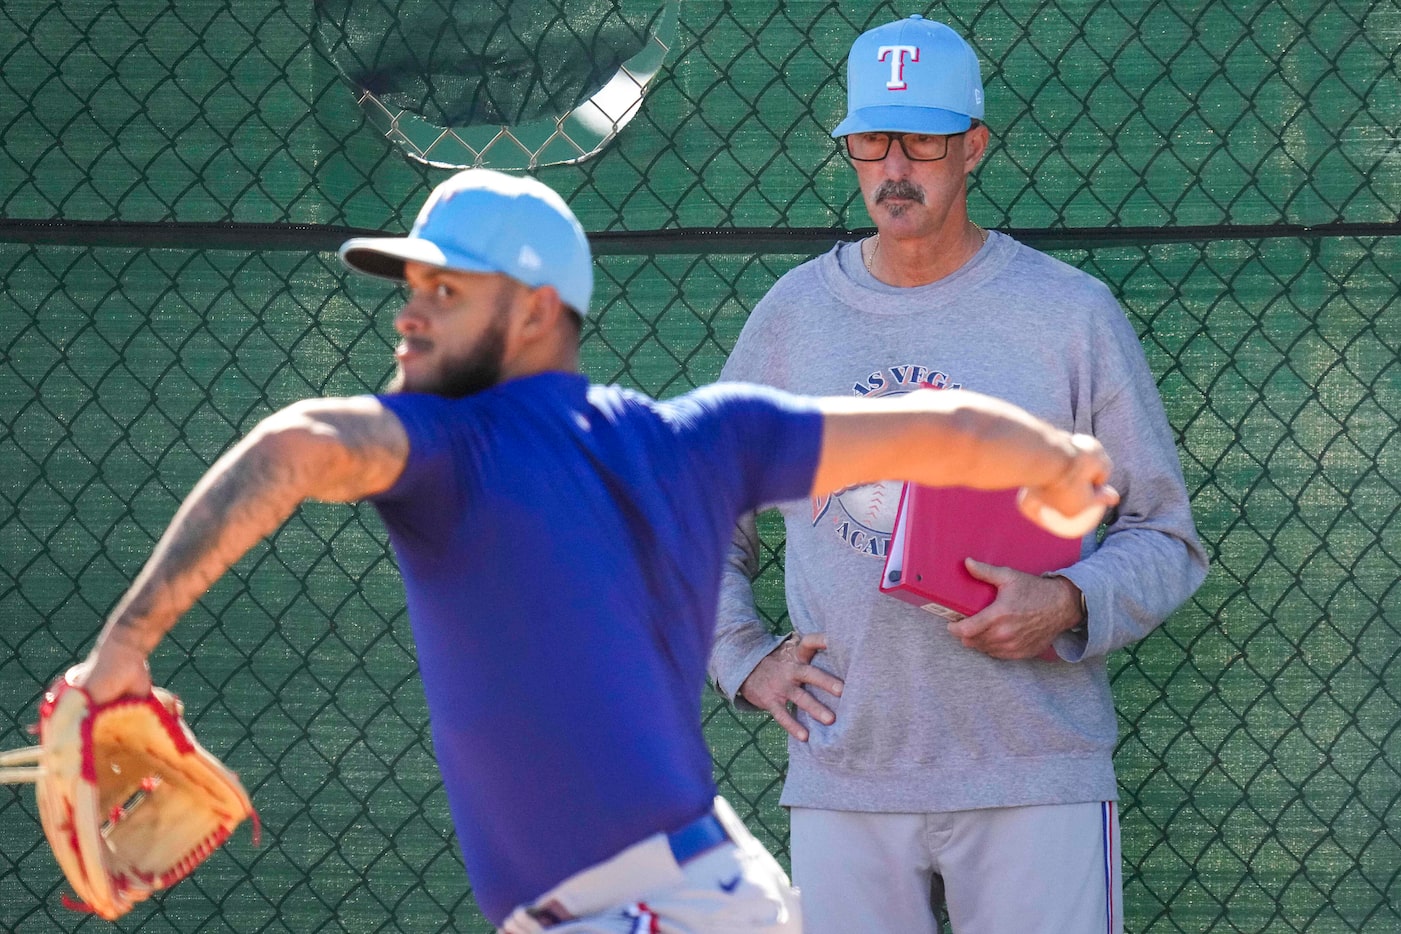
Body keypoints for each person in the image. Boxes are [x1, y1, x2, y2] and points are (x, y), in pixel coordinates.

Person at [72, 168, 1117, 933]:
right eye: (412, 287)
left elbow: (296, 444)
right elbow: (941, 429)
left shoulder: (453, 447)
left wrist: (124, 648)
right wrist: (1058, 459)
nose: (410, 313)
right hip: (691, 894)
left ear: (534, 311)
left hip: (644, 908)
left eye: (446, 290)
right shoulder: (698, 438)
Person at [708, 15, 1210, 934]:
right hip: (847, 768)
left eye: (924, 140)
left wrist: (1064, 600)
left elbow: (1163, 536)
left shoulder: (1068, 314)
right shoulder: (793, 319)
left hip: (1032, 766)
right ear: (849, 146)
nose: (895, 167)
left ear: (972, 147)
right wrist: (741, 658)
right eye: (871, 139)